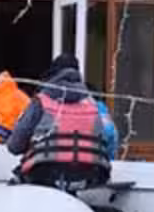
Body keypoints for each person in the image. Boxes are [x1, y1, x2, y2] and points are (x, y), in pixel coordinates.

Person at [7, 54, 112, 190]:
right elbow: (107, 139)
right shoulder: (93, 103)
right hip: (88, 172)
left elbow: (15, 145)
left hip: (44, 171)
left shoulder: (41, 100)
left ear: (52, 74)